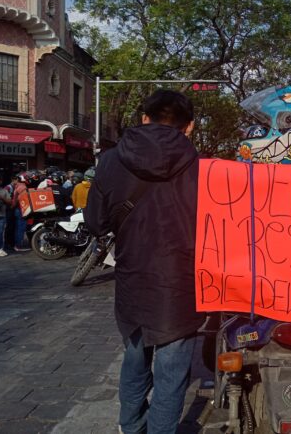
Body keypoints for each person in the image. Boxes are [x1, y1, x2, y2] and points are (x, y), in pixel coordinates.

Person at [84, 89, 205, 434]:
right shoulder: (204, 167)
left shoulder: (109, 161)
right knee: (172, 373)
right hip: (183, 287)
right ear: (190, 127)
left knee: (135, 359)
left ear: (144, 118)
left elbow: (95, 224)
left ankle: (130, 425)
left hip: (133, 282)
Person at [11, 172, 31, 252]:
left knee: (19, 228)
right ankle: (18, 246)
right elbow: (19, 200)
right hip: (21, 209)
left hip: (18, 209)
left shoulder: (17, 186)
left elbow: (15, 200)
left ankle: (17, 245)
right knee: (21, 228)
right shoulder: (22, 187)